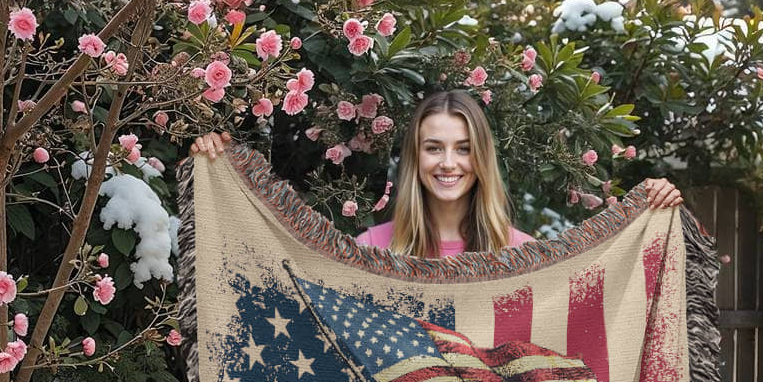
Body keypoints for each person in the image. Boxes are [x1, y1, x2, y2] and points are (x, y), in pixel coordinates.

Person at [190, 91, 683, 259]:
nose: (449, 163)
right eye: (434, 148)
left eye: (464, 149)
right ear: (414, 159)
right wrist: (225, 176)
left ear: (481, 161)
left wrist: (653, 209)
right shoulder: (369, 251)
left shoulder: (526, 256)